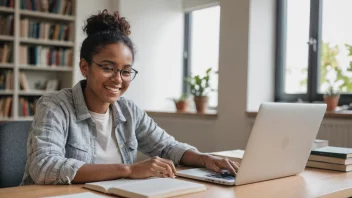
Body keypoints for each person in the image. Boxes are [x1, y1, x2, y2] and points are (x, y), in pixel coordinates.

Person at [21, 10, 239, 185]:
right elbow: (44, 166)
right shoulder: (55, 105)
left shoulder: (128, 110)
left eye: (126, 71)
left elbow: (166, 147)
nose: (118, 79)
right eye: (107, 68)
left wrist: (205, 158)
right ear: (84, 67)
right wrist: (129, 170)